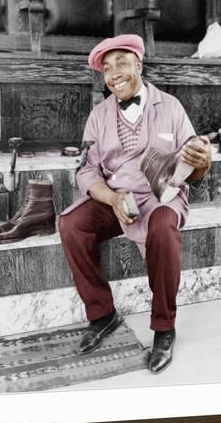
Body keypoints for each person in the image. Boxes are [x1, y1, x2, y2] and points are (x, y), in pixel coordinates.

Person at [58, 34, 212, 373]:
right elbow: (86, 170)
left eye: (122, 63)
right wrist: (112, 198)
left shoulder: (170, 106)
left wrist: (202, 159)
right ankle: (102, 315)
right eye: (107, 68)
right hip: (118, 197)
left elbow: (195, 169)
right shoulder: (98, 115)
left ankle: (164, 327)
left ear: (139, 65)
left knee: (162, 228)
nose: (114, 74)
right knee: (71, 224)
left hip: (160, 197)